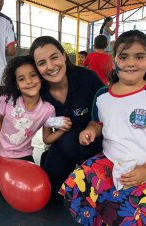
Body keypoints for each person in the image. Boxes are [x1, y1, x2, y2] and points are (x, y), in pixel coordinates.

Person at [59, 30, 146, 226]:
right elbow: (97, 122)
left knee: (129, 217)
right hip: (109, 161)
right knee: (75, 185)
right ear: (114, 60)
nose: (131, 63)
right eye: (124, 57)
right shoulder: (102, 95)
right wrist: (91, 130)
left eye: (139, 57)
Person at [29, 36, 104, 203]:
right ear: (36, 68)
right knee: (49, 197)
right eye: (42, 63)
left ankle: (97, 176)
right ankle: (49, 158)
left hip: (98, 142)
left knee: (69, 140)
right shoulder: (38, 91)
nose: (50, 66)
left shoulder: (87, 78)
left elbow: (110, 111)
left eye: (54, 57)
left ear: (63, 56)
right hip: (64, 143)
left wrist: (92, 129)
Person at [0, 55, 71, 163]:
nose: (29, 81)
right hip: (0, 152)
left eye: (33, 75)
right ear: (17, 85)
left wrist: (63, 130)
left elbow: (46, 139)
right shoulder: (8, 100)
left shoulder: (47, 110)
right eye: (21, 79)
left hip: (24, 154)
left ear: (40, 78)